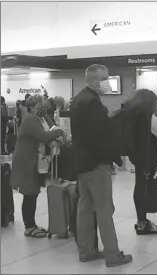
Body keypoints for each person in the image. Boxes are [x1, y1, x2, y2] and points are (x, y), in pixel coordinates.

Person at [70, 64, 132, 267]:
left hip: (82, 163)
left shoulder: (78, 100)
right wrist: (114, 157)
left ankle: (86, 250)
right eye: (105, 79)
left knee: (85, 207)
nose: (108, 83)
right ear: (94, 81)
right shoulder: (93, 103)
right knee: (105, 209)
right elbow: (100, 137)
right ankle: (113, 254)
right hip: (97, 164)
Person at [10, 96, 63, 238]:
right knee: (30, 193)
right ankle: (29, 227)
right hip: (26, 161)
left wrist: (46, 116)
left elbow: (50, 126)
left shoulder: (38, 118)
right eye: (40, 104)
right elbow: (43, 136)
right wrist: (60, 131)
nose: (43, 106)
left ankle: (31, 224)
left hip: (33, 160)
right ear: (33, 106)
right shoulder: (30, 119)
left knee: (33, 193)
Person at [124, 89, 157, 235]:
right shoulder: (149, 116)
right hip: (148, 156)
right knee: (144, 187)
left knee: (139, 185)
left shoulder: (131, 115)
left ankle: (141, 219)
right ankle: (142, 222)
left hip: (136, 155)